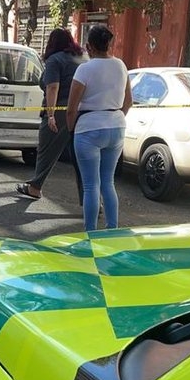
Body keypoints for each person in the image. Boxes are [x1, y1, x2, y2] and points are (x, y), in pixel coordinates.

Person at [65, 25, 132, 231]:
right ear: (109, 44)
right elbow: (128, 101)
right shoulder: (121, 66)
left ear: (88, 46)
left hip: (88, 129)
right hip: (116, 125)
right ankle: (112, 229)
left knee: (90, 185)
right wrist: (113, 118)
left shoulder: (84, 69)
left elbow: (71, 107)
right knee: (108, 182)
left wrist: (71, 130)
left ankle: (90, 233)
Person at [16, 29, 85, 201]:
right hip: (82, 112)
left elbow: (52, 87)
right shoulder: (83, 58)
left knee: (46, 151)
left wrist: (51, 114)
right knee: (82, 160)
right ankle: (90, 200)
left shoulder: (55, 60)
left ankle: (35, 187)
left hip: (60, 111)